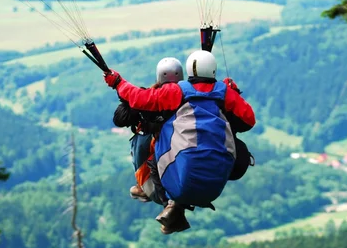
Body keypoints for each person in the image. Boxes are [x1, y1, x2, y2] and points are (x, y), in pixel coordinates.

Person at [104, 50, 256, 234]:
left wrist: (118, 82)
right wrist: (233, 94)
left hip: (184, 166)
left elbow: (138, 98)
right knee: (237, 146)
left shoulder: (176, 91)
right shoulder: (224, 93)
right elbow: (248, 119)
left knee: (155, 156)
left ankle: (169, 202)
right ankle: (174, 204)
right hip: (216, 179)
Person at [111, 57, 184, 204]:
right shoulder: (190, 95)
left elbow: (119, 119)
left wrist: (127, 98)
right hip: (182, 146)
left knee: (145, 142)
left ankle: (145, 187)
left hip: (157, 150)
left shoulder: (148, 97)